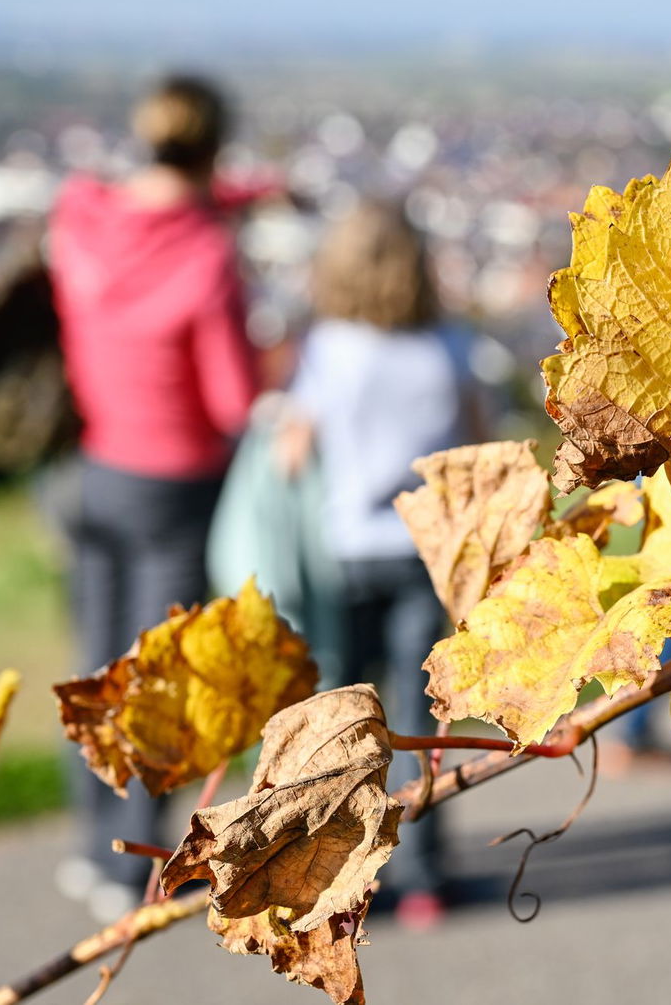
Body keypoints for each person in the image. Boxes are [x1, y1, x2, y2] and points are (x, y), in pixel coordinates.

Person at [46, 75, 259, 921]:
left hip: (96, 467)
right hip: (177, 482)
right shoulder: (207, 256)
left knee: (97, 669)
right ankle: (132, 865)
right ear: (216, 146)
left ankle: (88, 844)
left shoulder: (81, 216)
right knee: (155, 676)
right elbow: (231, 400)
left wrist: (241, 196)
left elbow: (158, 202)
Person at [277, 198, 487, 929]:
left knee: (345, 725)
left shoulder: (328, 348)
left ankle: (345, 881)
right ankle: (427, 878)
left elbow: (292, 453)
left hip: (345, 554)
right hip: (423, 550)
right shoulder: (448, 345)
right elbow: (476, 445)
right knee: (419, 723)